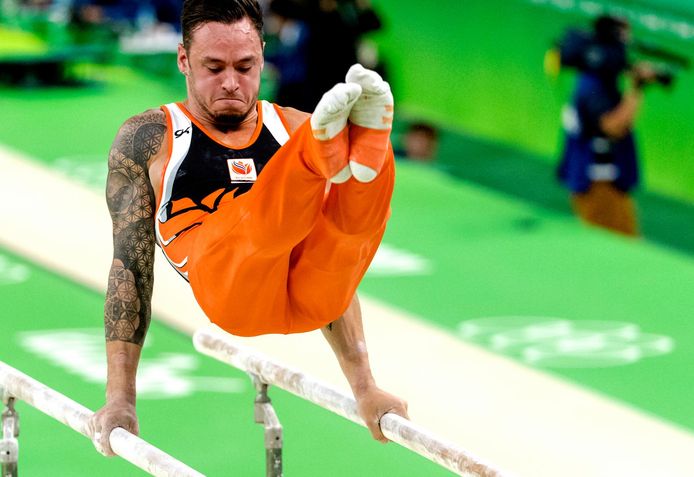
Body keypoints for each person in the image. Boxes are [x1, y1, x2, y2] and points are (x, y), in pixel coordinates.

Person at [89, 0, 407, 457]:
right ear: (183, 59)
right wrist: (120, 397)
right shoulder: (149, 138)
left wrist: (365, 388)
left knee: (347, 235)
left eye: (244, 66)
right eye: (213, 68)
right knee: (257, 224)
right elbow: (130, 270)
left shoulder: (294, 123)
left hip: (310, 296)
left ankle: (371, 148)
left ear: (262, 55)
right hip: (230, 288)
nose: (231, 82)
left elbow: (336, 257)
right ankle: (320, 158)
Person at [556, 15, 657, 237]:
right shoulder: (593, 86)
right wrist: (637, 88)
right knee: (622, 248)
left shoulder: (599, 81)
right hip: (598, 184)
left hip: (605, 182)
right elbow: (613, 126)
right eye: (624, 38)